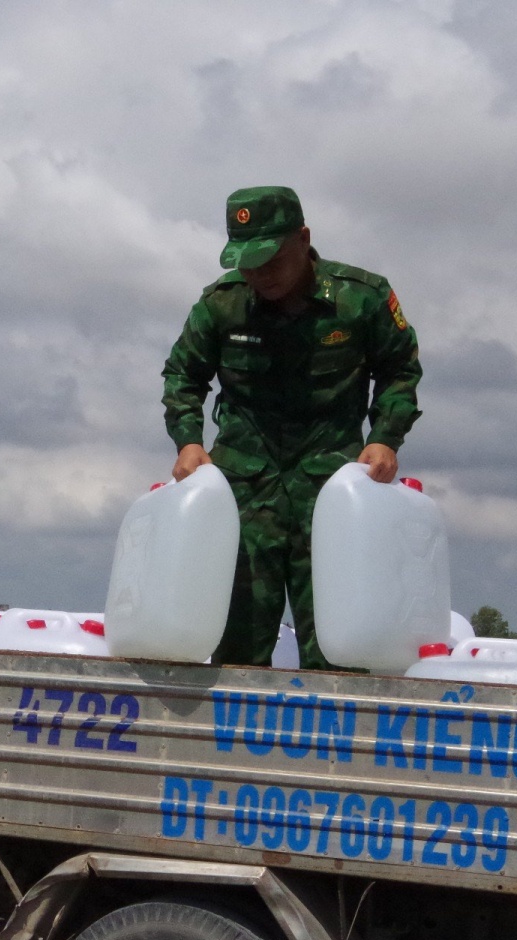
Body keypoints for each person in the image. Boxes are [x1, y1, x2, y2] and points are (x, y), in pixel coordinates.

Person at [162, 185, 423, 669]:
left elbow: (400, 370)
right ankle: (234, 742)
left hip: (333, 490)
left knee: (336, 640)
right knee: (238, 639)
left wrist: (386, 436)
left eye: (270, 261)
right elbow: (182, 373)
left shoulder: (362, 298)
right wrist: (189, 442)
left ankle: (331, 741)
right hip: (243, 490)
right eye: (247, 264)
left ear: (303, 239)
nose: (259, 276)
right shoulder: (222, 305)